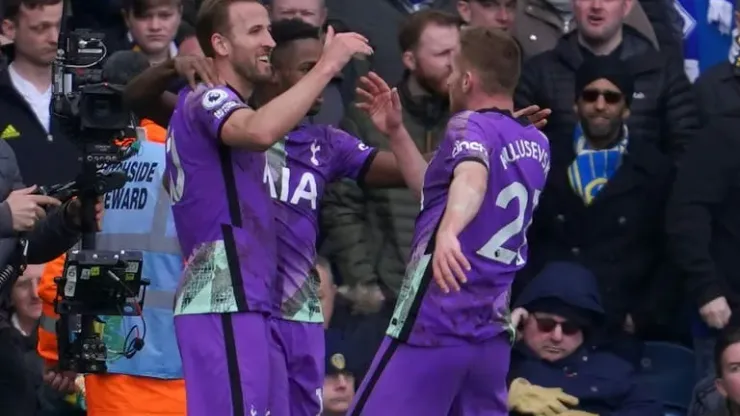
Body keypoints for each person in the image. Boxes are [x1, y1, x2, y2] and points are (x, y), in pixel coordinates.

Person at [162, 0, 372, 414]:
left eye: (269, 31)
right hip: (222, 294)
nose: (270, 42)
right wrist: (328, 65)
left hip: (252, 298)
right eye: (255, 31)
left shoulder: (230, 108)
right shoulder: (206, 97)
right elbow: (258, 132)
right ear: (221, 44)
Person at [347, 27, 550, 415]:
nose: (449, 80)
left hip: (434, 323)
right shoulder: (537, 142)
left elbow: (471, 178)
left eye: (453, 71)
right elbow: (436, 191)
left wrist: (450, 231)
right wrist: (396, 132)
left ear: (468, 80)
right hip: (489, 335)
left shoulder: (467, 125)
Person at [514, 55, 676, 338]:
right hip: (550, 318)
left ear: (627, 108)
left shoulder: (655, 169)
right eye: (590, 96)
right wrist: (525, 302)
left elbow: (668, 251)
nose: (600, 105)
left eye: (611, 98)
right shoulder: (542, 157)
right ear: (576, 104)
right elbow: (522, 236)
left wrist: (641, 316)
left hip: (616, 321)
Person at [514, 0, 696, 158]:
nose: (596, 6)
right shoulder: (540, 72)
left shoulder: (662, 71)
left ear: (626, 5)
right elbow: (516, 145)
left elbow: (686, 149)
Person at [0, 137, 103, 414]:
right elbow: (9, 220)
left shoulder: (3, 152)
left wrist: (69, 220)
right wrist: (5, 217)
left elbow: (26, 246)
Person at [509, 262, 662, 416]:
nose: (557, 337)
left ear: (585, 331)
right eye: (546, 325)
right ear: (524, 321)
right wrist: (502, 396)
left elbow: (650, 409)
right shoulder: (501, 363)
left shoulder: (611, 368)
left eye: (569, 328)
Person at [0, 0, 80, 186]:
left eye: (59, 26)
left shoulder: (85, 94)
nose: (54, 38)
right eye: (41, 28)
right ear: (9, 29)